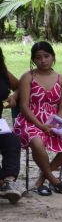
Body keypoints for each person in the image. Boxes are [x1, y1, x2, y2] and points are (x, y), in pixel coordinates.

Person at [13, 41, 62, 195]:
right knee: (36, 140)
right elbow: (24, 106)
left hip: (53, 122)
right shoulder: (28, 77)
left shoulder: (61, 79)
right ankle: (54, 180)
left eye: (46, 56)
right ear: (33, 60)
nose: (43, 60)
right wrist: (41, 125)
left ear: (53, 57)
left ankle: (42, 178)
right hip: (29, 121)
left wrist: (55, 124)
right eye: (38, 57)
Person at [0, 47, 24, 203]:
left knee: (12, 140)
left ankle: (8, 182)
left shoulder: (3, 74)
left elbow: (20, 86)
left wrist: (12, 97)